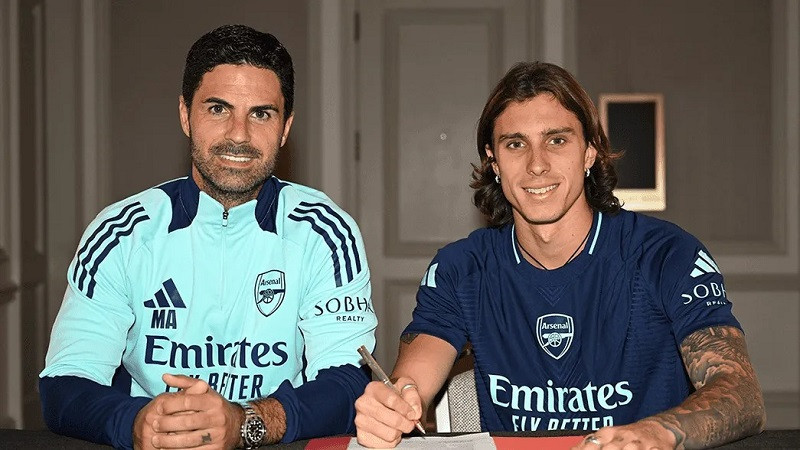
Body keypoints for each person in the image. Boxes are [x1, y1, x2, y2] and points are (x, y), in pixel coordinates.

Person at [354, 61, 765, 449]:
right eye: (516, 144)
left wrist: (659, 432)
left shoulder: (666, 255)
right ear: (493, 161)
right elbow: (411, 380)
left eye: (557, 140)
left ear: (589, 152)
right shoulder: (462, 268)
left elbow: (740, 392)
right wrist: (392, 404)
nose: (537, 165)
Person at [40, 24, 377, 450]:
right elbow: (63, 384)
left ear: (286, 127)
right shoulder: (121, 232)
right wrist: (135, 423)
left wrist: (245, 423)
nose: (239, 134)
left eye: (261, 113)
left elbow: (350, 381)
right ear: (185, 114)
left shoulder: (326, 233)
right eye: (218, 109)